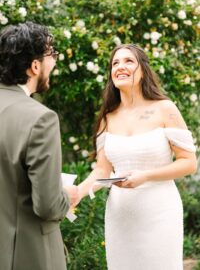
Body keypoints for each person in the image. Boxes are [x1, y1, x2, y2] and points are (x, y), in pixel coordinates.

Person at [77, 44, 197, 270]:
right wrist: (78, 193)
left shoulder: (165, 109)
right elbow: (102, 170)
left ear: (143, 70)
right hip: (120, 216)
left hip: (160, 212)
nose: (120, 67)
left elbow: (189, 163)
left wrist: (145, 176)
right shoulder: (107, 117)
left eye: (128, 61)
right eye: (115, 63)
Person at [0, 22, 78, 270]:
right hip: (25, 254)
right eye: (51, 55)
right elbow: (47, 205)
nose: (54, 62)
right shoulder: (40, 119)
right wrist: (68, 196)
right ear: (35, 66)